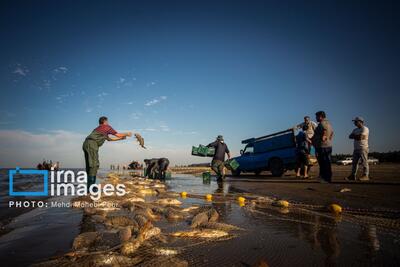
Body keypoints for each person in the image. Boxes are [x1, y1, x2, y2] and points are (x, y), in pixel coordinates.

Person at [83, 116, 132, 191]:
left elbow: (110, 139)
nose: (108, 123)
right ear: (105, 122)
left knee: (89, 165)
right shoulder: (106, 127)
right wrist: (127, 134)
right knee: (94, 165)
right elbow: (117, 134)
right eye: (107, 121)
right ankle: (90, 188)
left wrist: (121, 139)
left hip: (86, 144)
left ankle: (90, 186)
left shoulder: (98, 129)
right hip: (92, 144)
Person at [312, 111, 334, 183]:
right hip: (326, 145)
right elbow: (332, 133)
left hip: (323, 146)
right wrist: (329, 139)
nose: (316, 118)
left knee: (324, 163)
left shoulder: (323, 123)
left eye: (317, 117)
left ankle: (326, 178)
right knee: (326, 162)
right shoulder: (328, 123)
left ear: (320, 116)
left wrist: (324, 137)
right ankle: (325, 178)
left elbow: (324, 130)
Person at [346, 117, 370, 181]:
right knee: (354, 163)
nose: (354, 123)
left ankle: (365, 175)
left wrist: (356, 136)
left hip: (363, 148)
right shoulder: (355, 130)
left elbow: (361, 137)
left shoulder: (365, 128)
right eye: (354, 122)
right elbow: (350, 136)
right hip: (356, 148)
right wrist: (357, 136)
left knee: (364, 162)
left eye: (356, 122)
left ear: (360, 122)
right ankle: (352, 176)